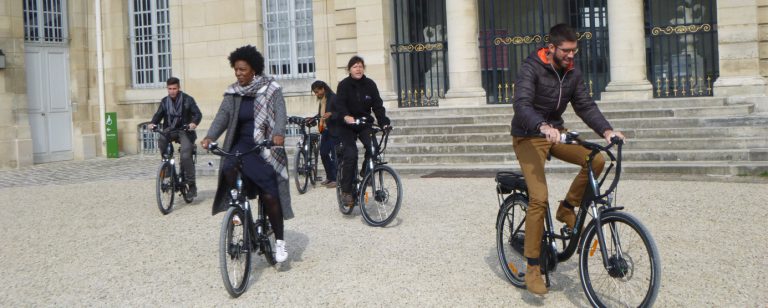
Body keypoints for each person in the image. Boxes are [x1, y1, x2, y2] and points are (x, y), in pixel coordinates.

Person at [510, 23, 625, 295]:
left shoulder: (572, 73)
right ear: (551, 48)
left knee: (596, 159)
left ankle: (567, 208)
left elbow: (585, 104)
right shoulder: (531, 68)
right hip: (528, 134)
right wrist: (542, 126)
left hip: (556, 134)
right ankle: (533, 267)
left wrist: (607, 131)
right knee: (538, 197)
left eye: (575, 51)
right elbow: (522, 104)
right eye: (566, 51)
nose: (571, 56)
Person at [201, 45, 293, 263]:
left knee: (270, 189)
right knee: (228, 167)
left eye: (242, 69)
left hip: (265, 146)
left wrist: (279, 133)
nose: (238, 74)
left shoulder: (271, 89)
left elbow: (281, 114)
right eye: (236, 70)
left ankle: (279, 241)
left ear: (254, 69)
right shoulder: (233, 93)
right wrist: (210, 136)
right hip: (241, 144)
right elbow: (222, 117)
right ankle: (240, 207)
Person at [334, 56, 391, 207]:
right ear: (349, 70)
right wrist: (346, 116)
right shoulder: (344, 85)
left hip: (364, 124)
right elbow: (339, 104)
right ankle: (346, 191)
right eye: (354, 66)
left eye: (360, 66)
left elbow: (377, 106)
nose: (358, 69)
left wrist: (384, 123)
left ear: (363, 68)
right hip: (347, 125)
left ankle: (365, 173)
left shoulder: (370, 84)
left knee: (374, 148)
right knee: (351, 154)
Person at [148, 77, 202, 197]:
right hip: (170, 130)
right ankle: (167, 167)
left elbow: (197, 114)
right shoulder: (164, 102)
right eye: (170, 89)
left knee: (185, 155)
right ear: (167, 89)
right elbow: (158, 115)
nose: (172, 91)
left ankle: (192, 185)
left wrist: (193, 123)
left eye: (174, 88)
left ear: (179, 88)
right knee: (161, 140)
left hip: (185, 131)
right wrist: (153, 123)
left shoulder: (188, 100)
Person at [309, 80, 341, 188]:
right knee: (323, 153)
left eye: (317, 92)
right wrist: (313, 118)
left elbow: (341, 112)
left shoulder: (333, 97)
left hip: (335, 130)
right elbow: (321, 114)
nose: (316, 94)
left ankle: (336, 179)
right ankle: (330, 177)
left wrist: (331, 114)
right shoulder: (322, 100)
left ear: (323, 89)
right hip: (325, 130)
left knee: (334, 155)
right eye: (315, 92)